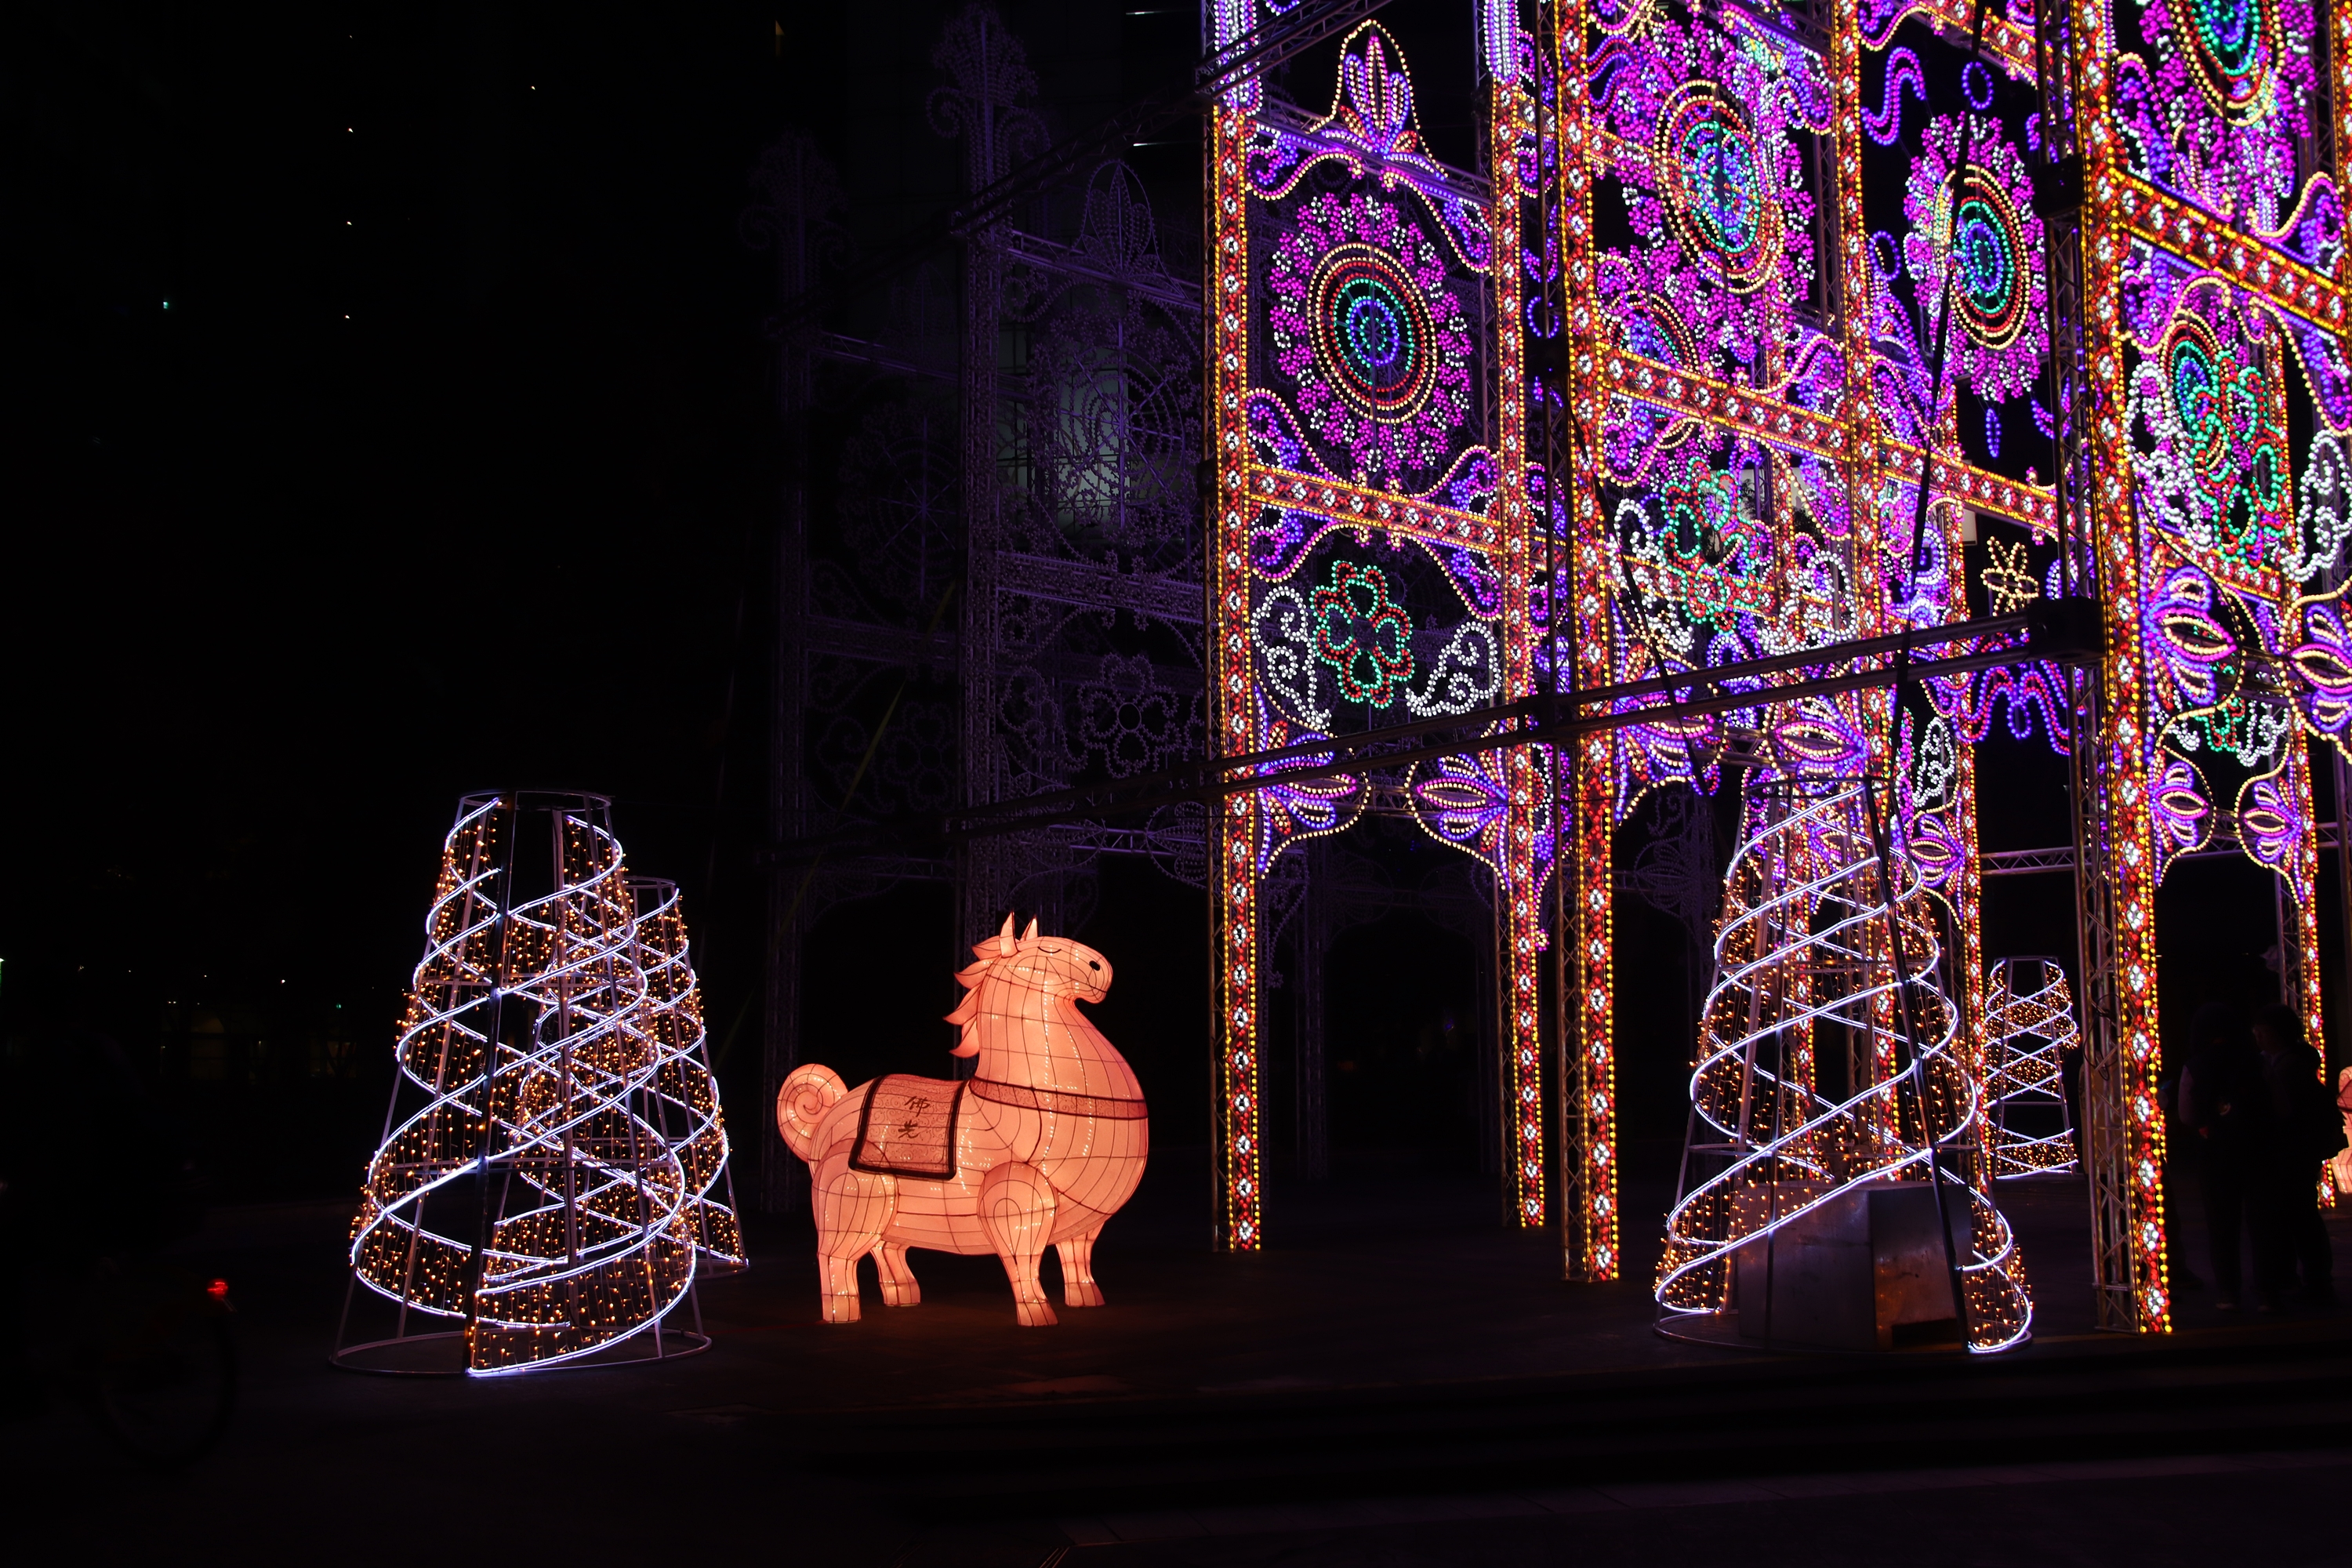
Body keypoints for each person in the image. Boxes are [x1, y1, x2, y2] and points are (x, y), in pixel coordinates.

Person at [2250, 1004, 2340, 1310]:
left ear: (2278, 1034)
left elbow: (2285, 1113)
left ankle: (2315, 1281)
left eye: (2263, 1032)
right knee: (2299, 1217)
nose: (2258, 1037)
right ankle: (2308, 1279)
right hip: (2296, 1153)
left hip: (2293, 1153)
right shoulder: (2283, 1062)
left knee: (2300, 1219)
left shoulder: (2288, 1068)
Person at [2178, 1001, 2265, 1311]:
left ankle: (2229, 1292)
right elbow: (2279, 1105)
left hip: (2215, 1153)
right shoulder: (2256, 1062)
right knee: (2263, 1223)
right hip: (2257, 1149)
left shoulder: (2196, 1065)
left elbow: (2187, 1114)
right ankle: (2268, 1292)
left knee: (2222, 1225)